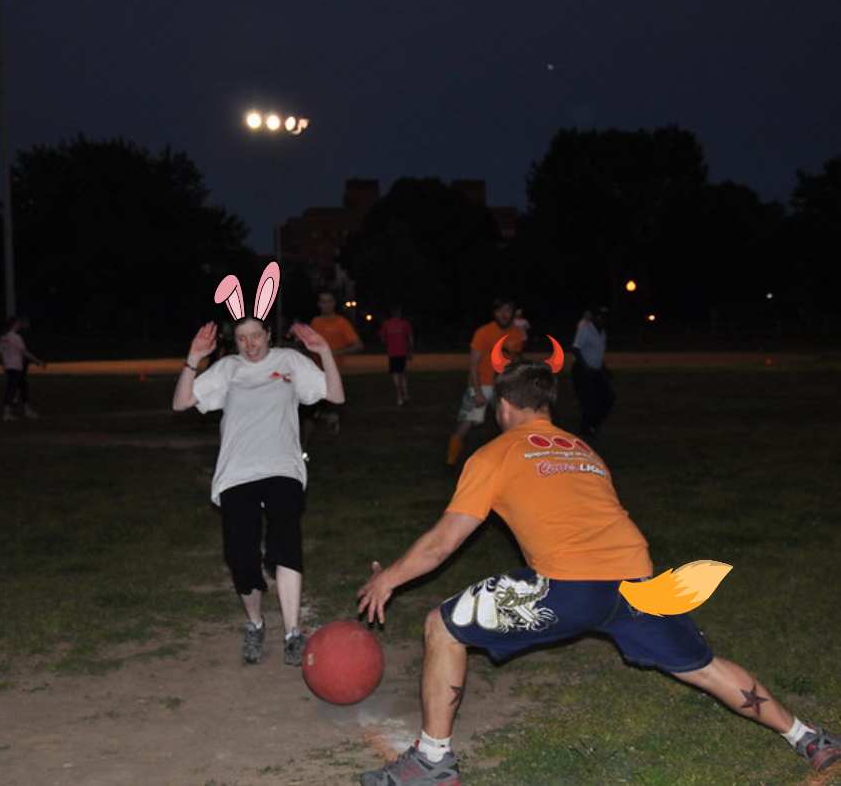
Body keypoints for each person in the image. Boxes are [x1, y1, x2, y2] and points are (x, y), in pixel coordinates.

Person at [357, 354, 840, 784]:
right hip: (640, 585)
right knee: (705, 668)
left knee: (441, 626)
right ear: (547, 406)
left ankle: (433, 760)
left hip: (568, 589)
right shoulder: (585, 452)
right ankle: (807, 737)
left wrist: (389, 578)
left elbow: (443, 542)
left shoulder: (495, 453)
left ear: (505, 407)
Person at [172, 317, 345, 667]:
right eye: (241, 338)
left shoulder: (289, 362)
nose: (250, 344)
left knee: (286, 545)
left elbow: (335, 394)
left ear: (268, 335)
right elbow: (181, 402)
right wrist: (193, 357)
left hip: (283, 468)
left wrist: (323, 351)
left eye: (256, 336)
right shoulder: (228, 368)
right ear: (234, 342)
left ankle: (293, 633)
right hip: (237, 473)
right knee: (241, 557)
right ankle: (255, 624)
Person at [445, 298, 523, 467]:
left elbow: (516, 360)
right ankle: (450, 461)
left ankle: (513, 462)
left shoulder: (517, 333)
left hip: (504, 386)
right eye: (500, 310)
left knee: (512, 425)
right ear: (494, 313)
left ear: (513, 313)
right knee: (467, 422)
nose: (504, 314)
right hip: (483, 384)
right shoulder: (484, 332)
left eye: (508, 310)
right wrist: (478, 392)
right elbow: (473, 365)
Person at [306, 290, 362, 437]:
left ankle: (332, 426)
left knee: (329, 407)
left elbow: (358, 345)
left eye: (329, 301)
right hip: (315, 373)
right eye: (323, 301)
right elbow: (309, 346)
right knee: (311, 408)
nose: (326, 305)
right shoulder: (315, 322)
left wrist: (336, 353)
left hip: (333, 374)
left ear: (334, 303)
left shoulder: (341, 322)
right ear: (319, 304)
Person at [571, 306, 615, 440]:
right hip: (582, 370)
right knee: (589, 401)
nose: (602, 319)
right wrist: (585, 368)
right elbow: (576, 349)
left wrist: (604, 369)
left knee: (608, 398)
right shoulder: (586, 328)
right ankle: (586, 429)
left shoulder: (602, 333)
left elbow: (598, 355)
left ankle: (593, 425)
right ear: (594, 317)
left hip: (596, 370)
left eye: (605, 317)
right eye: (600, 316)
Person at [0, 316, 45, 421]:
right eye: (18, 323)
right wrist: (38, 361)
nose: (19, 325)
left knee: (18, 388)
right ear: (14, 324)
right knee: (13, 390)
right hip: (16, 367)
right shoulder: (16, 337)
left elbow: (0, 353)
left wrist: (4, 365)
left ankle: (21, 411)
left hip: (9, 367)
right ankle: (8, 414)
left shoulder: (4, 337)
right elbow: (25, 353)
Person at [379, 305, 414, 406]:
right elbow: (410, 339)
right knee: (402, 374)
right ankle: (405, 395)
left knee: (396, 375)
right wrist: (410, 351)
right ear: (399, 313)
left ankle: (400, 397)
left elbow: (382, 339)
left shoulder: (386, 324)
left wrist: (389, 341)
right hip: (403, 352)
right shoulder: (405, 323)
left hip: (393, 353)